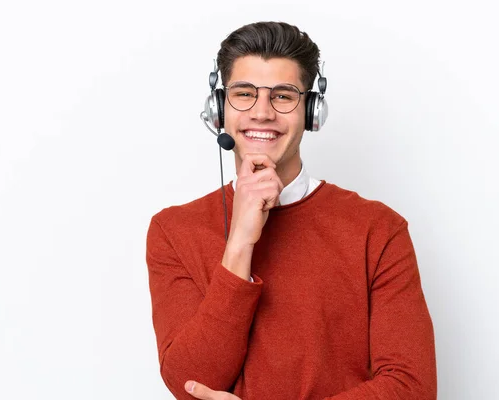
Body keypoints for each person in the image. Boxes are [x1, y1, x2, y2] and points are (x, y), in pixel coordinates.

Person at [146, 21, 436, 400]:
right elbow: (191, 382)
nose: (262, 112)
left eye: (283, 96)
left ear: (312, 111)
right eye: (244, 93)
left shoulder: (379, 229)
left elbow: (411, 388)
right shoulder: (173, 231)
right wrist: (239, 243)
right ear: (218, 109)